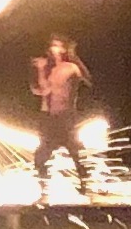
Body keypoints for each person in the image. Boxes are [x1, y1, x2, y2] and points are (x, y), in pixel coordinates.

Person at [29, 33, 89, 198]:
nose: (53, 49)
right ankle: (43, 189)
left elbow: (84, 80)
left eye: (57, 46)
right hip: (49, 118)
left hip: (65, 117)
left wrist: (43, 70)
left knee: (75, 153)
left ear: (64, 49)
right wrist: (41, 70)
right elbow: (42, 90)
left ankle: (84, 185)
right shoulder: (51, 70)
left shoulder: (70, 67)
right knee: (41, 155)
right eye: (52, 46)